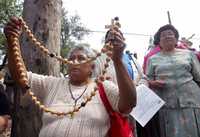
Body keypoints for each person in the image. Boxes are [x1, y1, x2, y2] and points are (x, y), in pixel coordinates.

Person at [4, 17, 136, 137]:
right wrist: (11, 40)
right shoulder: (52, 84)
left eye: (81, 58)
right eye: (71, 59)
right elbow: (21, 77)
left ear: (92, 67)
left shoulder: (102, 86)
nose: (74, 62)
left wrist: (117, 60)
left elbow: (128, 104)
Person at [142, 24, 200, 137]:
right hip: (166, 104)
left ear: (176, 39)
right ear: (159, 41)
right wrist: (152, 83)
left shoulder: (189, 55)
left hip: (191, 101)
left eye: (170, 34)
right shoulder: (152, 59)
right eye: (163, 35)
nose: (167, 36)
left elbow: (198, 76)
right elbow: (147, 80)